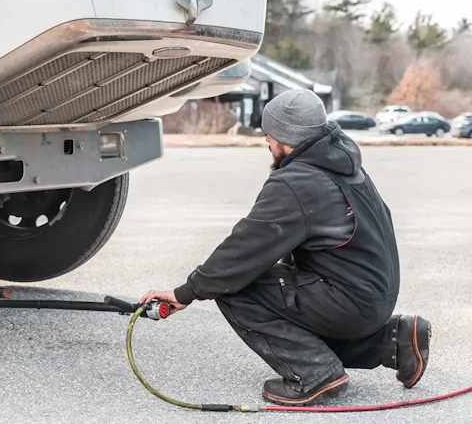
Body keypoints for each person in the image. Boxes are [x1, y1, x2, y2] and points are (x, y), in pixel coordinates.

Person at [140, 89, 431, 406]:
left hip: (350, 301)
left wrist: (186, 293)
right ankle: (393, 341)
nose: (266, 139)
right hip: (373, 295)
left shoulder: (297, 182)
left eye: (271, 132)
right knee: (277, 286)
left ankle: (315, 374)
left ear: (286, 136)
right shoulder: (342, 164)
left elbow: (242, 252)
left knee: (235, 285)